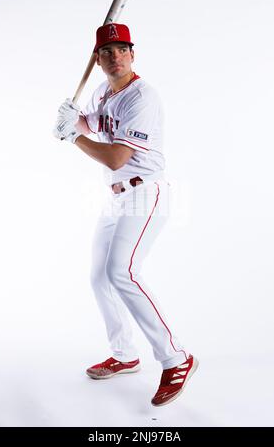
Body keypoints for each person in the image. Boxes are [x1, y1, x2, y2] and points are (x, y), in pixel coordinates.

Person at [53, 23, 198, 406]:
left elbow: (117, 155)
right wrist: (74, 120)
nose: (115, 57)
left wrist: (73, 137)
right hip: (116, 196)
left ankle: (176, 358)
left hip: (146, 194)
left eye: (121, 49)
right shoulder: (102, 91)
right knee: (99, 276)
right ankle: (124, 354)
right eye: (106, 52)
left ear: (133, 53)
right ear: (97, 59)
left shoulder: (143, 98)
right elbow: (91, 125)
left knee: (123, 271)